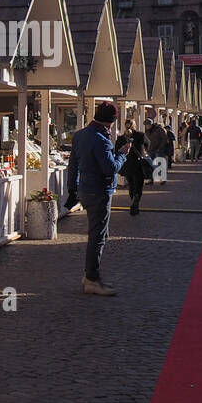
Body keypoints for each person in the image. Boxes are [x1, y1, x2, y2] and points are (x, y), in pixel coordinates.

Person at [65, 102, 130, 295]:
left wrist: (72, 189)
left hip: (85, 189)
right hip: (99, 191)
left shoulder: (80, 135)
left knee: (97, 233)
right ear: (111, 121)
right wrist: (122, 155)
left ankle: (90, 276)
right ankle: (92, 279)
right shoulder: (101, 139)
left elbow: (73, 165)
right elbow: (110, 168)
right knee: (99, 235)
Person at [119, 123, 147, 216]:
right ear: (134, 125)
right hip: (138, 164)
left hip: (127, 164)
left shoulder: (120, 138)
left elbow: (117, 151)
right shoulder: (141, 135)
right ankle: (135, 202)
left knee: (131, 185)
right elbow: (148, 145)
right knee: (138, 185)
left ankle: (133, 201)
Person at [142, 118, 167, 183]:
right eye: (146, 125)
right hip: (150, 150)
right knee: (151, 165)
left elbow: (164, 139)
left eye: (148, 124)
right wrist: (146, 148)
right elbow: (145, 140)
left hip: (159, 150)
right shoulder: (147, 131)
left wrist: (160, 147)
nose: (147, 126)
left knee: (159, 164)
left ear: (151, 124)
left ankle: (162, 178)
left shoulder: (159, 129)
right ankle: (151, 179)